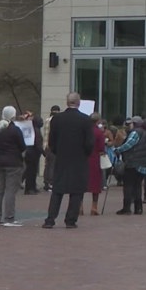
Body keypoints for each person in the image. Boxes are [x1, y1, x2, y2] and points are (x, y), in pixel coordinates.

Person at [43, 93, 94, 229]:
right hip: (79, 159)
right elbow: (89, 142)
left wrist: (57, 151)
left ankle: (50, 219)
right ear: (78, 103)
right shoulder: (85, 120)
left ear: (67, 102)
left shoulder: (57, 119)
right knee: (76, 191)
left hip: (62, 158)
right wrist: (85, 153)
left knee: (57, 191)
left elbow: (51, 141)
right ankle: (70, 220)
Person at [0, 106, 26, 227]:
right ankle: (9, 218)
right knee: (10, 191)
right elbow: (22, 146)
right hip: (13, 163)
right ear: (12, 116)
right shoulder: (14, 130)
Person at [114, 118, 144, 215]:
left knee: (128, 185)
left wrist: (118, 150)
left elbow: (128, 145)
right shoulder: (144, 132)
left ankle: (126, 208)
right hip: (140, 161)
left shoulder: (135, 133)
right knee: (137, 185)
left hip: (132, 161)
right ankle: (138, 207)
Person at [85, 113, 106, 216]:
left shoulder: (84, 131)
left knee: (82, 183)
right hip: (95, 159)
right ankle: (94, 207)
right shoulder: (99, 132)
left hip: (84, 158)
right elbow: (102, 147)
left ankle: (79, 207)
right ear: (98, 121)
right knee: (95, 185)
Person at [21, 111, 44, 194]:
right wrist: (44, 153)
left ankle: (32, 187)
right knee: (31, 172)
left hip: (31, 154)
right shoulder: (36, 130)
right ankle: (30, 188)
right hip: (32, 154)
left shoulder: (32, 129)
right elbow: (38, 144)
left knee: (32, 172)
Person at [41, 105, 60, 192]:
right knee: (53, 165)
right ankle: (51, 183)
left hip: (46, 146)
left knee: (47, 165)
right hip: (53, 146)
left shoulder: (47, 120)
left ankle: (46, 183)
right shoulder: (56, 121)